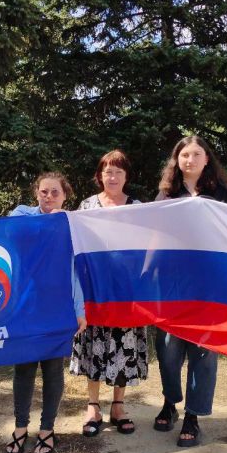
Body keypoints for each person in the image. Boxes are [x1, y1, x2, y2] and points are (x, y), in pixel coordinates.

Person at [154, 135, 227, 446]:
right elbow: (154, 236)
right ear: (177, 160)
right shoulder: (166, 195)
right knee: (168, 349)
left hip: (210, 285)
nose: (189, 160)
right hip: (171, 287)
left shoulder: (224, 194)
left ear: (207, 160)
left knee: (203, 351)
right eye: (184, 154)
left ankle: (193, 414)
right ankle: (170, 401)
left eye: (196, 154)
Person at [5, 172, 87, 453]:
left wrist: (80, 310)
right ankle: (19, 428)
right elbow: (15, 226)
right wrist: (51, 217)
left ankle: (47, 429)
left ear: (66, 195)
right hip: (27, 307)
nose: (49, 197)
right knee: (23, 370)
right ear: (36, 194)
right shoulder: (23, 215)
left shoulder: (72, 225)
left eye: (55, 192)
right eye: (44, 192)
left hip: (58, 307)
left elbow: (76, 272)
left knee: (53, 371)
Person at [70, 150, 148, 436]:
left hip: (126, 292)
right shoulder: (86, 206)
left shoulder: (137, 207)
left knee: (123, 347)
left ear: (126, 176)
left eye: (118, 171)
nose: (112, 177)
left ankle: (118, 405)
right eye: (107, 171)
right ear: (99, 175)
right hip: (95, 290)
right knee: (94, 345)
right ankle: (92, 405)